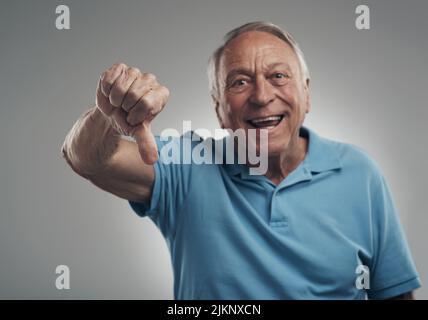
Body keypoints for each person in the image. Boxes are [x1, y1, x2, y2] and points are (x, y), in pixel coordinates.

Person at [62, 21, 421, 299]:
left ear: (306, 93)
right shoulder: (187, 166)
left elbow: (395, 293)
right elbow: (87, 158)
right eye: (239, 82)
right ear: (219, 109)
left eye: (278, 76)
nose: (262, 96)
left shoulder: (359, 172)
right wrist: (107, 115)